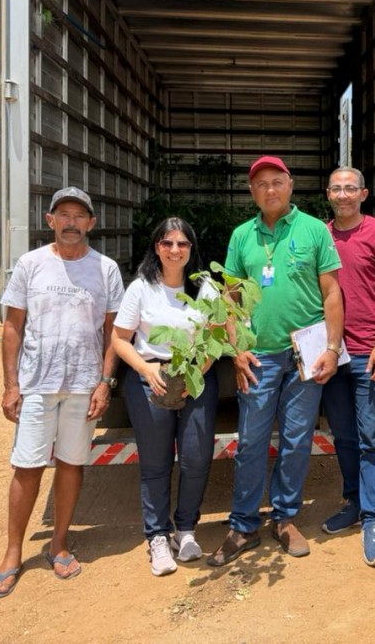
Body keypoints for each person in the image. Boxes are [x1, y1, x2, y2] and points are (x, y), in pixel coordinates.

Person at [0, 187, 124, 598]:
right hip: (37, 385)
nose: (70, 222)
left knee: (70, 464)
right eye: (62, 214)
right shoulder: (30, 265)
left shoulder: (106, 270)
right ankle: (13, 553)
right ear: (50, 221)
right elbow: (12, 327)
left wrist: (105, 382)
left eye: (79, 216)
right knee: (26, 466)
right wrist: (11, 385)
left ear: (91, 224)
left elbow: (112, 332)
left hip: (84, 385)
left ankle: (59, 543)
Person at [207, 155, 343, 566]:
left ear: (290, 185)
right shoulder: (241, 236)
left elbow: (332, 293)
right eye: (261, 183)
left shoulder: (314, 230)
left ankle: (285, 518)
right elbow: (229, 298)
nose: (270, 189)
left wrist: (333, 348)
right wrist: (237, 349)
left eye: (277, 181)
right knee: (250, 442)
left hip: (307, 351)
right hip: (259, 355)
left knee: (296, 440)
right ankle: (244, 524)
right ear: (252, 192)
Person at [111, 217, 221, 576]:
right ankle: (158, 536)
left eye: (182, 244)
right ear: (156, 247)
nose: (175, 250)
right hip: (150, 380)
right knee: (156, 464)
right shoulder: (141, 288)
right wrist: (146, 370)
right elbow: (118, 340)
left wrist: (197, 372)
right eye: (167, 243)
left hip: (195, 379)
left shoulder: (205, 288)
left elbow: (217, 337)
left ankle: (185, 531)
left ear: (192, 249)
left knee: (195, 458)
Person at [319, 167, 375, 567]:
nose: (344, 195)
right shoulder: (320, 234)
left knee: (371, 437)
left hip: (369, 350)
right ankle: (353, 502)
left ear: (363, 193)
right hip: (331, 352)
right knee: (344, 435)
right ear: (328, 194)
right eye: (337, 189)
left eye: (350, 188)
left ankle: (374, 520)